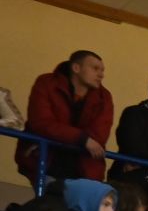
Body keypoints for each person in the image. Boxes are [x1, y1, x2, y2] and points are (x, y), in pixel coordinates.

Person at [16, 49, 112, 183]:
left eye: (102, 70)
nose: (101, 75)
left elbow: (99, 135)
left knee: (101, 193)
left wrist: (73, 137)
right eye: (95, 69)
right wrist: (82, 139)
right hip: (45, 159)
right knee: (52, 195)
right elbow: (41, 123)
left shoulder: (104, 96)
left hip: (84, 168)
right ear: (76, 68)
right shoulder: (46, 83)